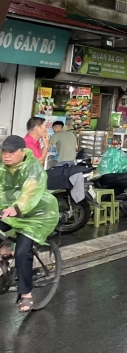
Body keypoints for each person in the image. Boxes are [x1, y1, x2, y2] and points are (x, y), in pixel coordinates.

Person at [0, 134, 60, 312]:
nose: (6, 155)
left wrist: (18, 207)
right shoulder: (3, 166)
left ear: (23, 151)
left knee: (22, 252)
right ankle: (5, 248)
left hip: (37, 214)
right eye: (4, 151)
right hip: (10, 210)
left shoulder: (33, 168)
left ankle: (26, 294)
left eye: (11, 152)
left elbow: (30, 191)